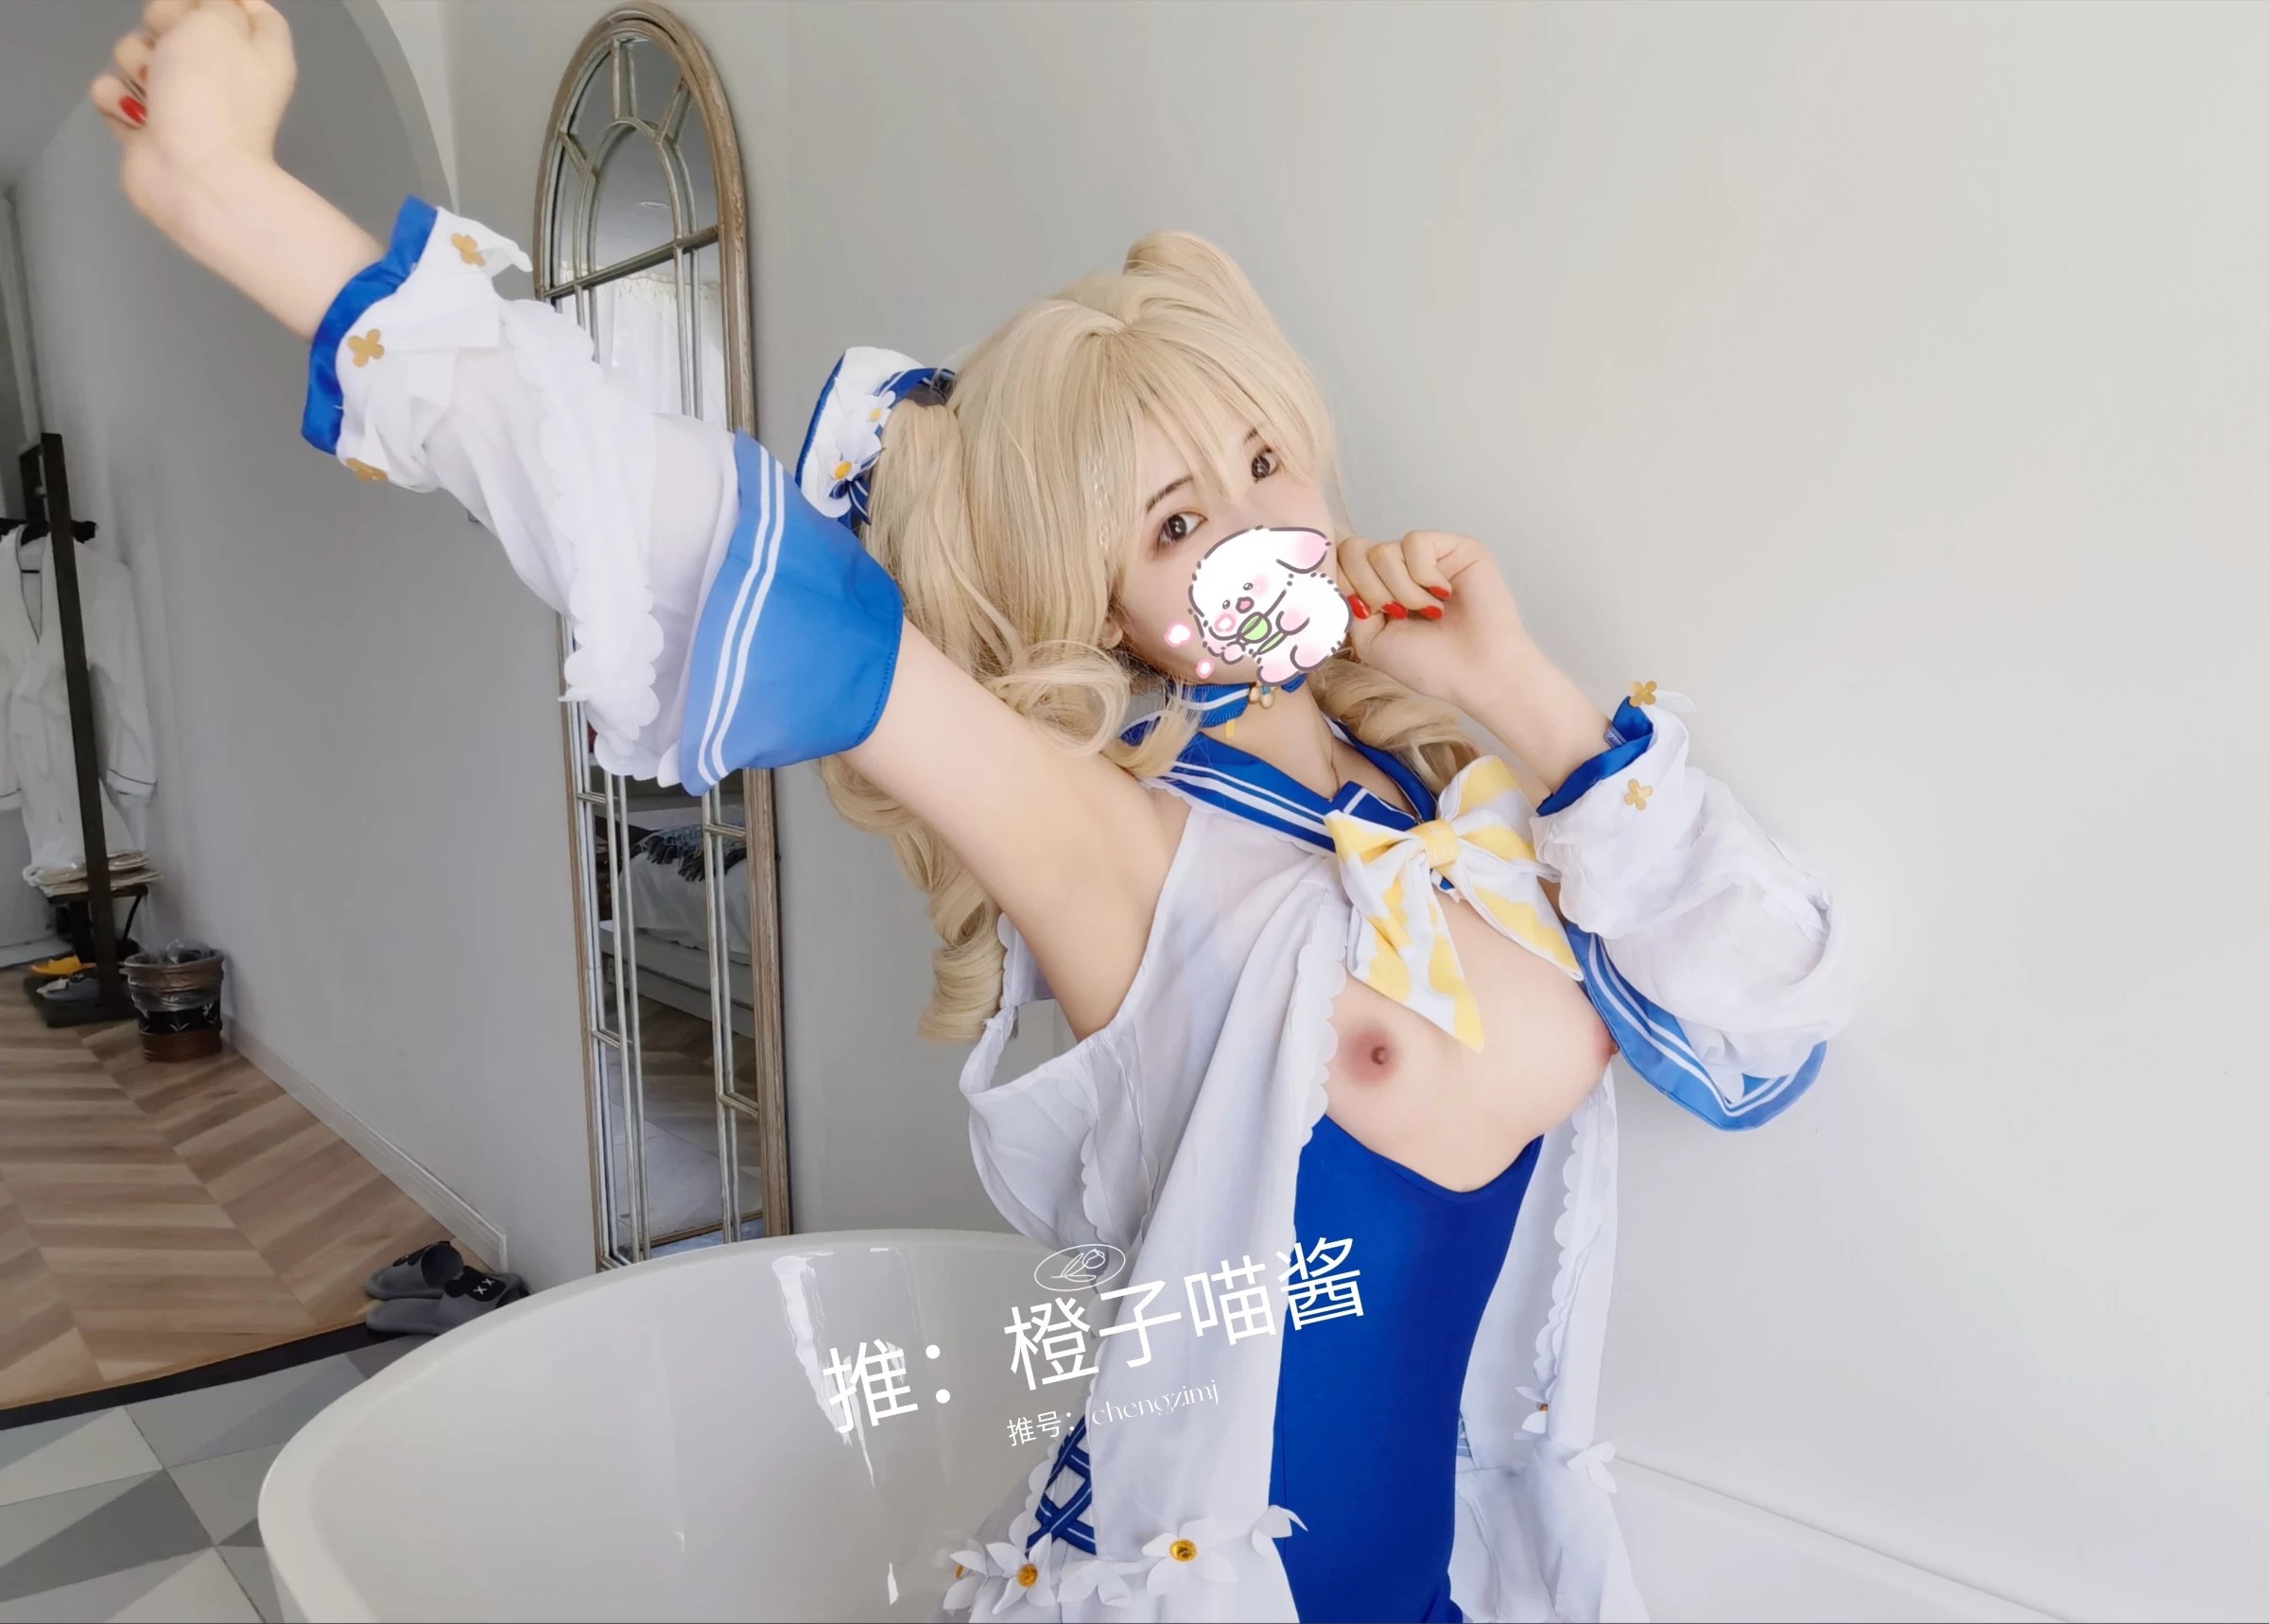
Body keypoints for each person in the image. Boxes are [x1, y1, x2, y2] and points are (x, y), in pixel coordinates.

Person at [89, 4, 1852, 1619]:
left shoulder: (1470, 809)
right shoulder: (1120, 847)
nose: (1258, 527)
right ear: (1102, 606)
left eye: (1265, 461)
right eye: (1175, 523)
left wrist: (1523, 690)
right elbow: (718, 555)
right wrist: (240, 199)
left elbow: (1761, 1032)